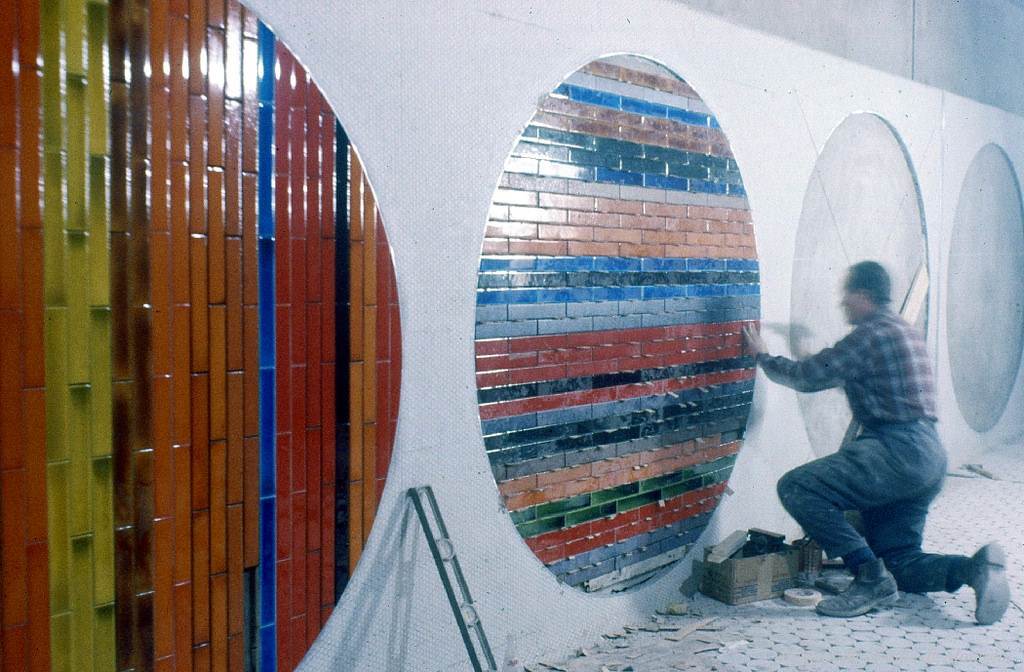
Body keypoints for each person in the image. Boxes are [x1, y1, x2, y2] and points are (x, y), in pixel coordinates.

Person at [741, 260, 1009, 622]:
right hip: (927, 457)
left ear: (863, 295)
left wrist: (761, 355)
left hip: (896, 450)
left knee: (798, 486)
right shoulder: (900, 330)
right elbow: (842, 371)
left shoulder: (871, 334)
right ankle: (971, 570)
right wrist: (806, 353)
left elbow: (808, 378)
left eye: (846, 295)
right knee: (899, 560)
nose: (843, 304)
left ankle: (869, 579)